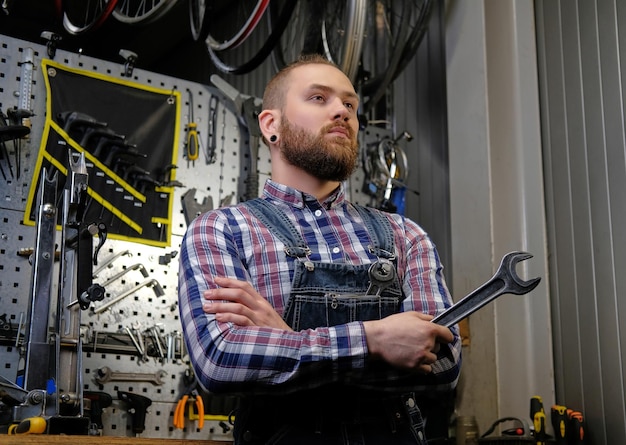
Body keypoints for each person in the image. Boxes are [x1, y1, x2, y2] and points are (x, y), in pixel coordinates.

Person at [178, 54, 462, 445]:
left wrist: (287, 339)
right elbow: (220, 359)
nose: (342, 112)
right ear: (271, 124)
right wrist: (376, 340)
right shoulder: (221, 230)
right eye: (319, 98)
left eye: (349, 104)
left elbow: (443, 364)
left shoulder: (405, 234)